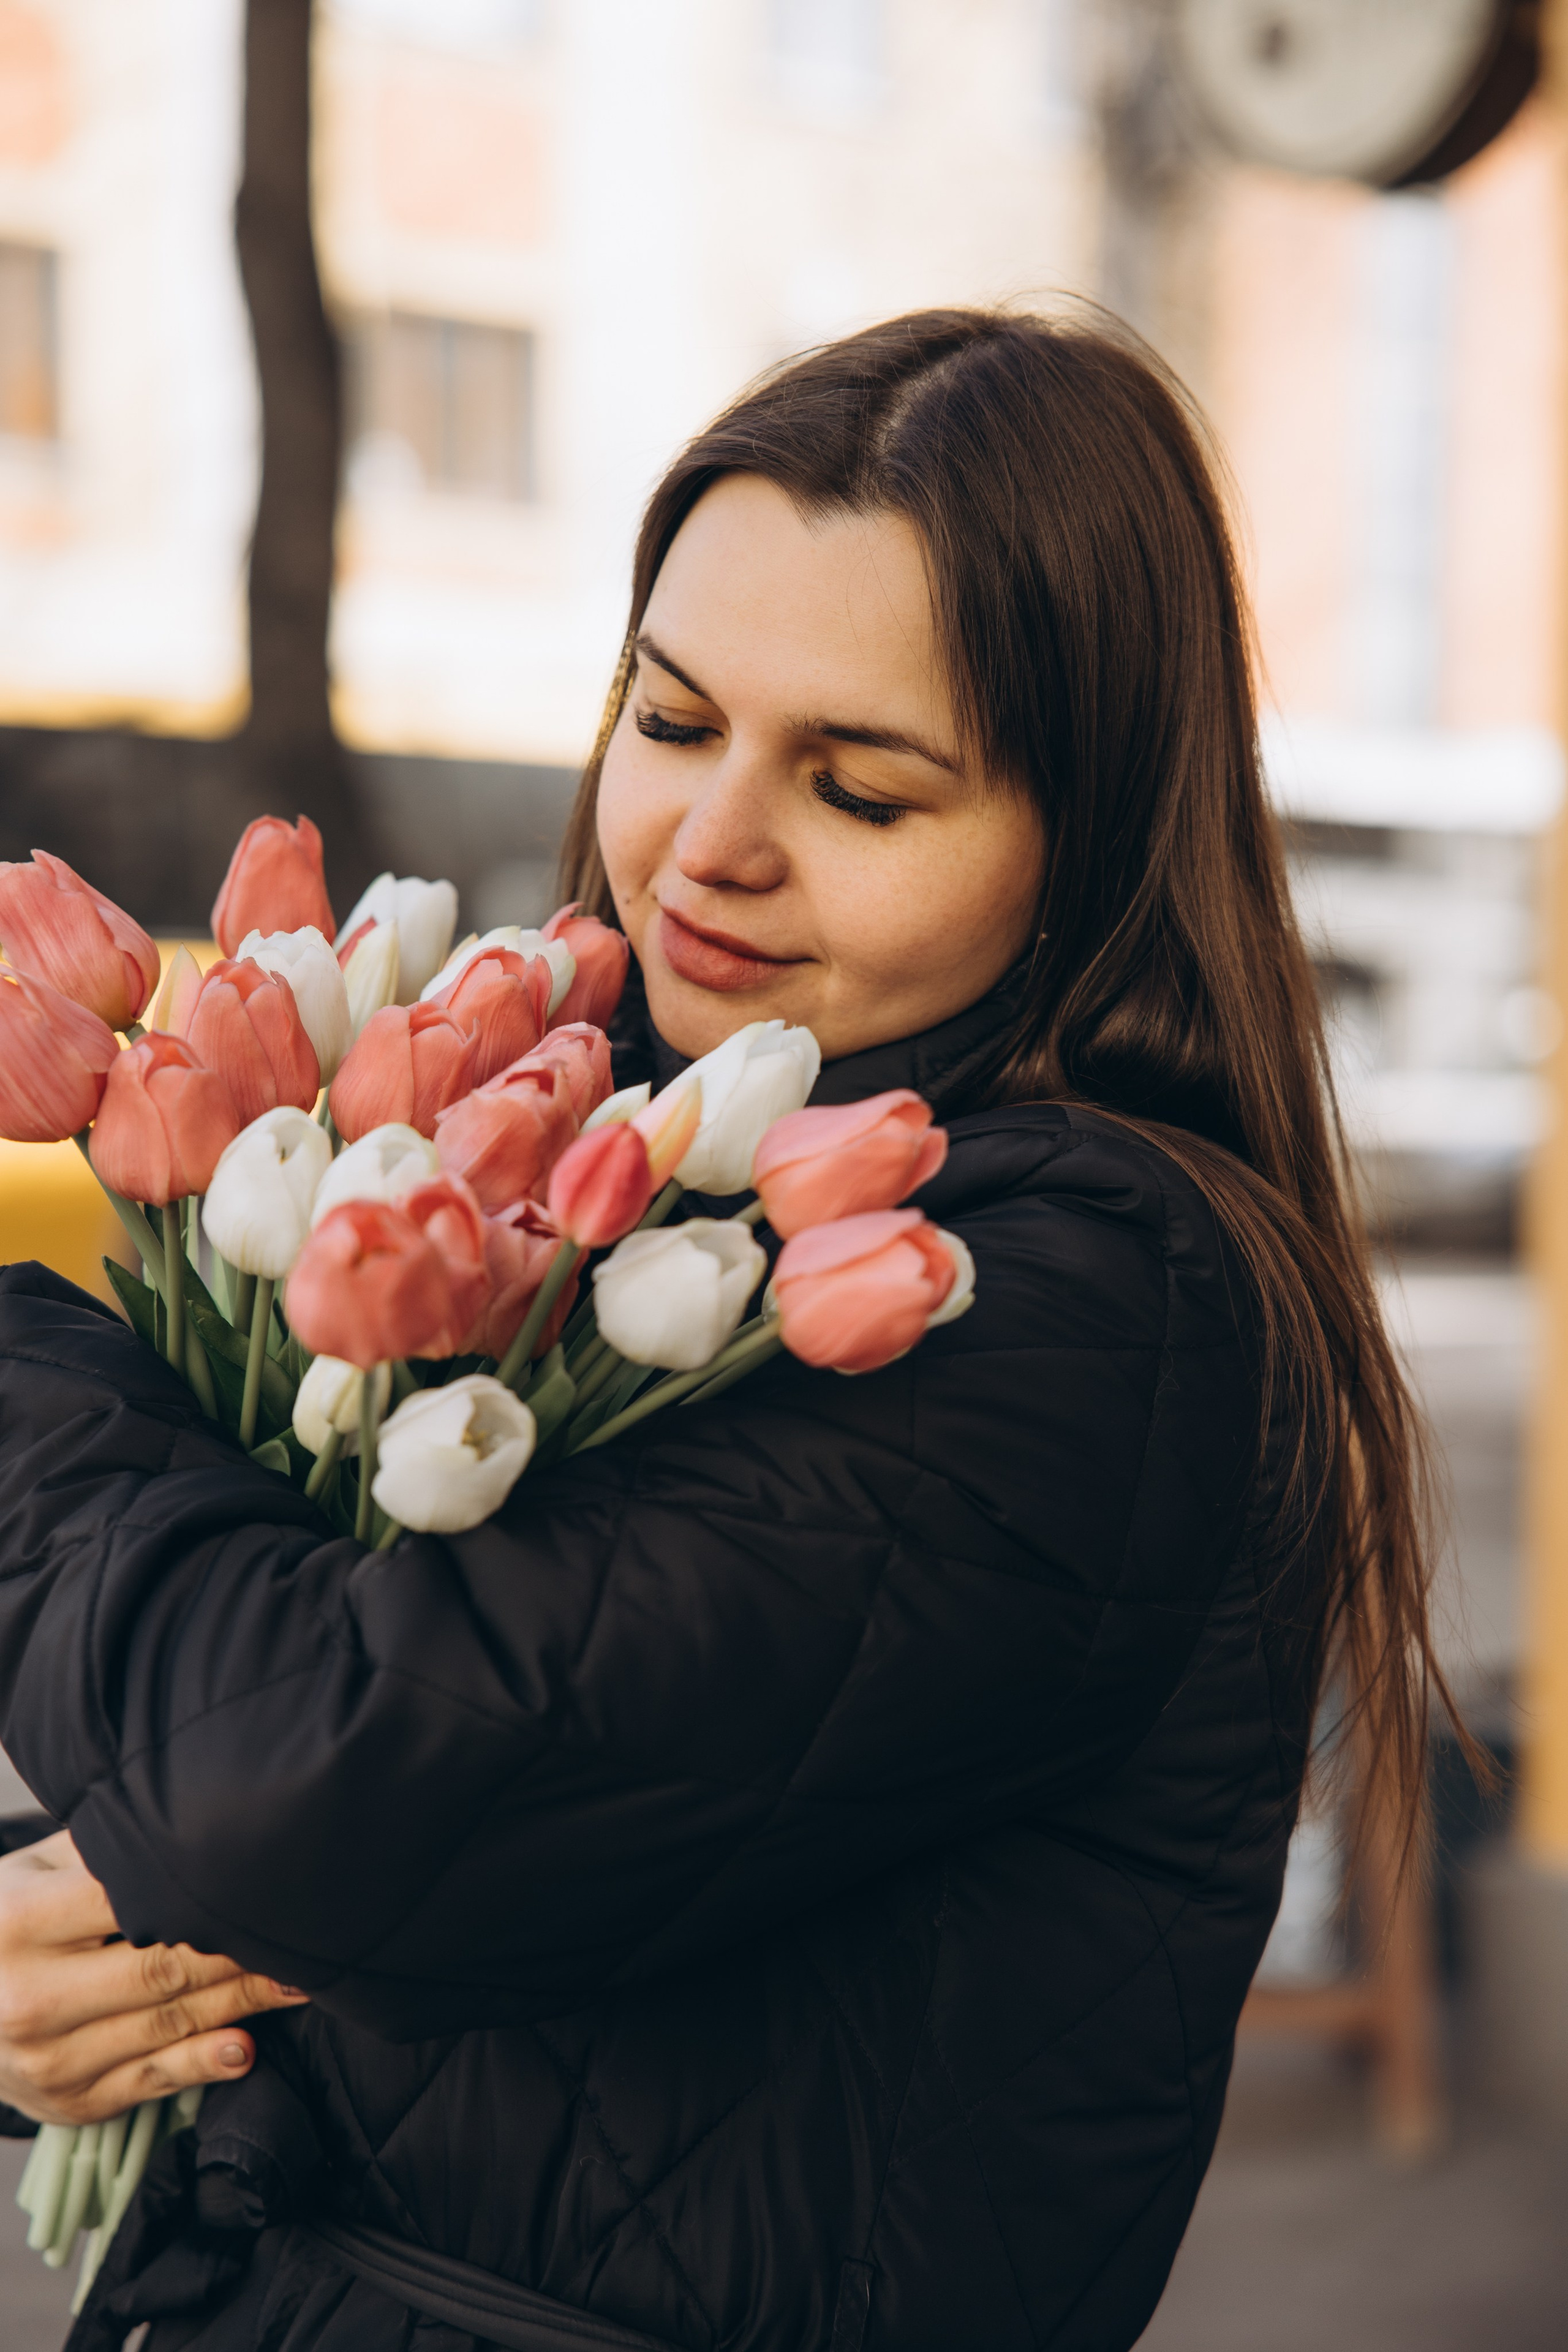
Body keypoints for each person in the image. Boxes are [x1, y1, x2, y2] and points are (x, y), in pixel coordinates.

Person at [0, 307, 1466, 2352]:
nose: (711, 845)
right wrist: (85, 1951)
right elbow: (330, 1773)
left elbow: (317, 1780)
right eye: (675, 724)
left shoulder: (1075, 1301)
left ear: (1092, 841)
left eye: (861, 787)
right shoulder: (590, 1124)